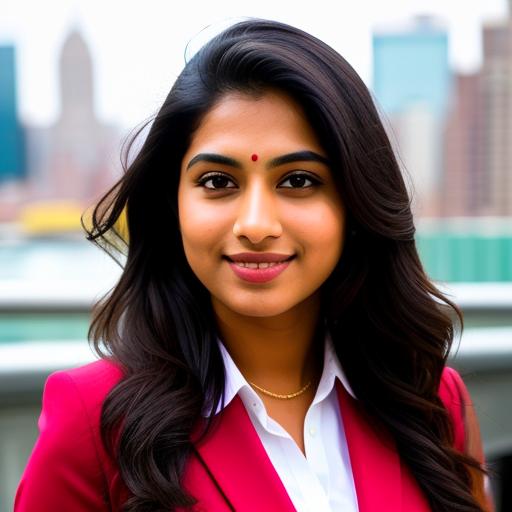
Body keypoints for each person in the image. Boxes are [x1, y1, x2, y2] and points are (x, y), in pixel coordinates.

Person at [15, 18, 493, 512]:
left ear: (355, 202)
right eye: (219, 182)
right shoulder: (95, 421)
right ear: (170, 204)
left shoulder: (430, 399)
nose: (257, 224)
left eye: (298, 181)